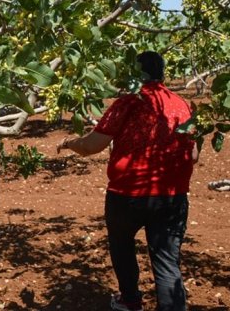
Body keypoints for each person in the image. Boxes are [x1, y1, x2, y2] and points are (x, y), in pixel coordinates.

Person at [56, 51, 198, 311]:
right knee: (167, 262)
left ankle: (130, 300)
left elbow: (91, 146)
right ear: (162, 73)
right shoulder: (181, 104)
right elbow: (194, 155)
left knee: (122, 247)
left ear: (135, 73)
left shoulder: (128, 102)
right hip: (171, 196)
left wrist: (68, 142)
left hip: (127, 195)